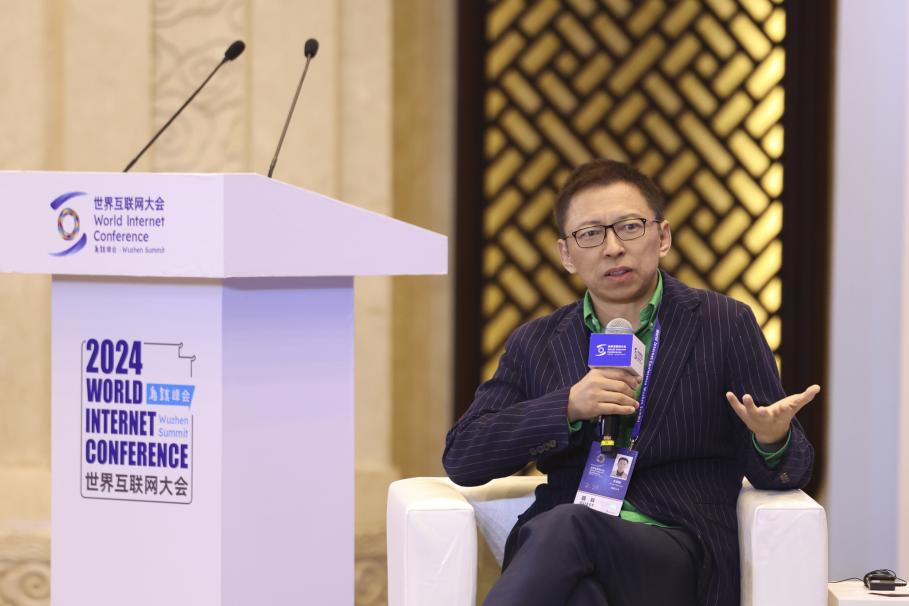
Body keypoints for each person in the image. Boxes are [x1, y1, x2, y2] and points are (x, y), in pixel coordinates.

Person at [442, 159, 819, 606]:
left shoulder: (724, 323)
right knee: (579, 589)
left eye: (630, 227)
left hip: (678, 546)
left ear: (663, 237)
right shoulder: (536, 342)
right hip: (564, 551)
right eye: (590, 234)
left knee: (567, 526)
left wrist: (771, 438)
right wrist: (566, 406)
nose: (613, 248)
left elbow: (789, 471)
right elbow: (463, 456)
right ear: (566, 254)